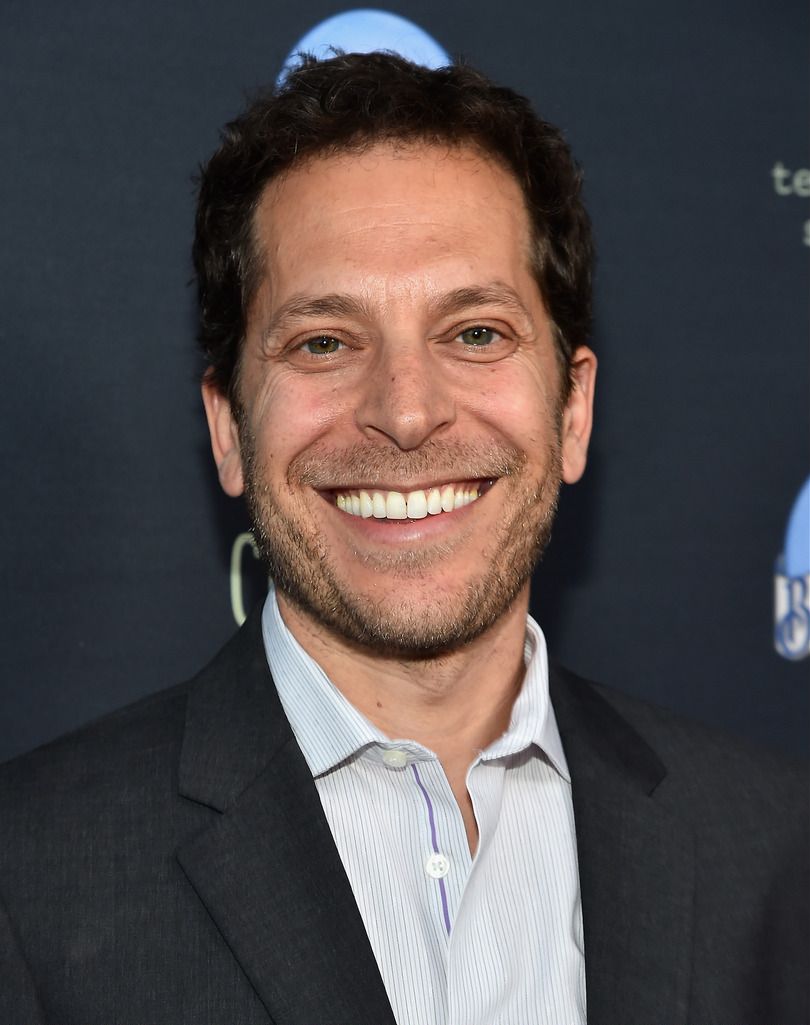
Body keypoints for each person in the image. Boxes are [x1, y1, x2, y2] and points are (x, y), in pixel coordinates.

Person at [0, 52, 806, 1025]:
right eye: (324, 343)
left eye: (474, 333)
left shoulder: (776, 849)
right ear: (228, 427)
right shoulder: (31, 874)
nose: (407, 412)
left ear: (575, 408)